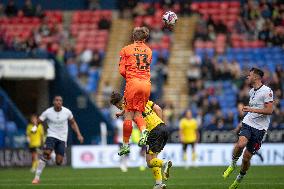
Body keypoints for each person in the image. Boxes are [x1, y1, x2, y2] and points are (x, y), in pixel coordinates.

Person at [223, 68, 274, 189]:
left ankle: (239, 178)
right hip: (248, 123)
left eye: (249, 75)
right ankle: (233, 164)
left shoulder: (267, 91)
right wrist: (241, 124)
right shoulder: (252, 91)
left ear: (256, 77)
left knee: (246, 158)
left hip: (260, 129)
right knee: (240, 144)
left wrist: (252, 109)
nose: (248, 77)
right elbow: (251, 114)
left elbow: (269, 110)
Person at [110, 92, 171, 189]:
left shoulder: (127, 108)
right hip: (163, 128)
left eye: (117, 106)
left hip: (152, 131)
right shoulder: (142, 101)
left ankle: (164, 163)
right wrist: (160, 124)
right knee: (153, 158)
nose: (118, 108)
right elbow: (158, 109)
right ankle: (159, 184)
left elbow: (127, 111)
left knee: (149, 162)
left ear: (118, 103)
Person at [31, 96, 84, 184]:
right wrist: (35, 127)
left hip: (62, 138)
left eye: (60, 100)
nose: (58, 102)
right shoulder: (48, 112)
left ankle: (51, 153)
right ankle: (36, 178)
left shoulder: (67, 112)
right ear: (53, 102)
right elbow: (39, 120)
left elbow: (73, 123)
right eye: (56, 100)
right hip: (51, 135)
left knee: (59, 162)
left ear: (62, 102)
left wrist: (79, 134)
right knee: (46, 154)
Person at [118, 27, 152, 155]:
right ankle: (144, 132)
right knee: (138, 113)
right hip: (146, 84)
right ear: (144, 38)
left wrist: (131, 77)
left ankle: (126, 145)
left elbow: (122, 71)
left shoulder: (126, 49)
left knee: (128, 114)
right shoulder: (149, 51)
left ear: (133, 37)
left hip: (133, 83)